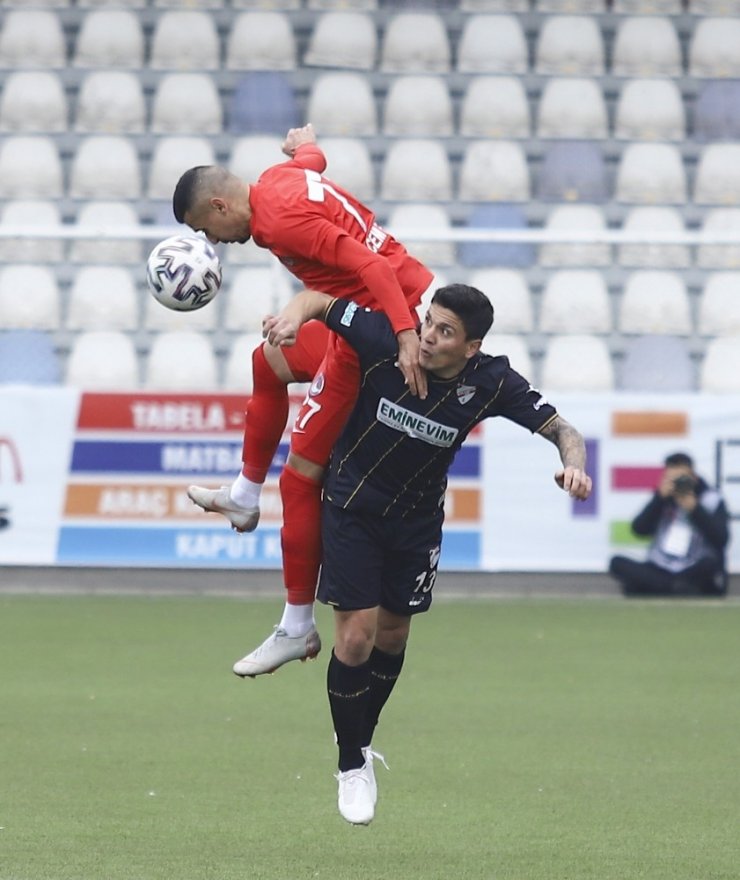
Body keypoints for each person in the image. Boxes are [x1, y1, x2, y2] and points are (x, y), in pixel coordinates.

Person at [262, 283, 593, 825]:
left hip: (416, 523)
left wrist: (575, 465)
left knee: (392, 636)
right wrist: (292, 317)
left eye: (445, 332)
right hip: (351, 507)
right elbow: (321, 301)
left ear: (471, 347)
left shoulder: (491, 381)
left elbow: (563, 429)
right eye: (429, 323)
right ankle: (350, 766)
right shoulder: (385, 340)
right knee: (354, 636)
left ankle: (360, 743)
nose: (429, 338)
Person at [172, 124, 433, 676]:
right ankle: (244, 495)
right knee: (265, 361)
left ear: (220, 205)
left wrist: (406, 337)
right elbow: (312, 161)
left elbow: (371, 268)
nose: (213, 242)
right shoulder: (279, 178)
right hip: (372, 308)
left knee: (300, 478)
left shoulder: (281, 222)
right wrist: (303, 144)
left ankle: (296, 626)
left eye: (208, 229)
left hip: (377, 327)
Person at [609, 452, 729, 598]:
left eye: (682, 479)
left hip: (693, 567)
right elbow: (638, 529)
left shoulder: (711, 500)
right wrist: (659, 498)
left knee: (710, 565)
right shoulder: (662, 500)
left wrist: (695, 509)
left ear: (693, 476)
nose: (678, 484)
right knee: (617, 563)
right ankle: (675, 589)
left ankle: (662, 589)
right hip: (660, 567)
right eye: (673, 479)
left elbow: (721, 539)